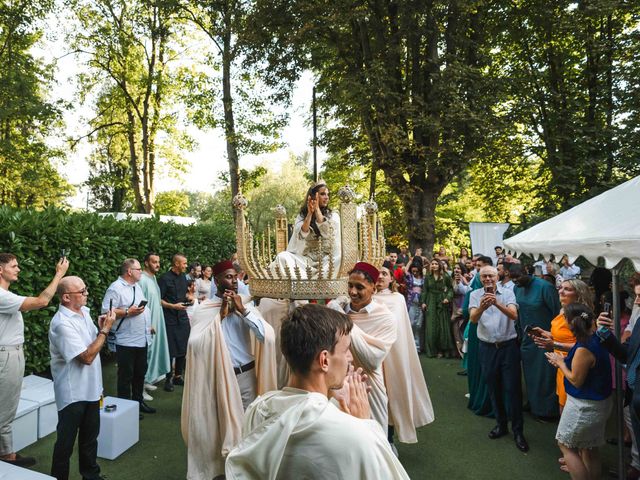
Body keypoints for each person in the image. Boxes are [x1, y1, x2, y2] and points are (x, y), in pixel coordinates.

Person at [225, 304, 410, 479]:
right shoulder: (356, 434)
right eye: (346, 350)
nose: (350, 358)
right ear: (324, 360)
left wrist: (329, 398)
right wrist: (365, 424)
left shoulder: (257, 409)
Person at [181, 259, 276, 480]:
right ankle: (223, 472)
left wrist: (242, 311)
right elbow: (195, 345)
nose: (233, 281)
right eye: (228, 277)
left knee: (250, 429)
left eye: (236, 277)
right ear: (217, 280)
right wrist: (220, 317)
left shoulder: (247, 305)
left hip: (246, 378)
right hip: (218, 379)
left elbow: (267, 337)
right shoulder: (205, 309)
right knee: (220, 429)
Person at [0, 253, 69, 468]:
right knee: (5, 407)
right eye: (14, 266)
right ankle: (6, 457)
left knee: (7, 405)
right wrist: (59, 274)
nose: (18, 269)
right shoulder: (2, 296)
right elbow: (42, 301)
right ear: (0, 270)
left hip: (10, 353)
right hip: (6, 355)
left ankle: (7, 453)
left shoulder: (6, 295)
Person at [49, 276, 116, 480]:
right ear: (66, 297)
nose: (87, 293)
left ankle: (91, 476)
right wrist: (105, 330)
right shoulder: (61, 323)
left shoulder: (84, 312)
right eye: (82, 291)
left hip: (92, 388)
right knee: (65, 444)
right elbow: (86, 357)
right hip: (73, 392)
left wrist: (99, 326)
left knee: (90, 439)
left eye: (85, 289)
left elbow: (91, 342)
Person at [327, 262, 397, 431]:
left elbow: (372, 360)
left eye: (359, 287)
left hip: (369, 386)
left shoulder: (386, 318)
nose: (352, 292)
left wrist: (342, 319)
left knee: (374, 439)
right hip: (337, 383)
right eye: (350, 285)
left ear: (374, 287)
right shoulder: (339, 309)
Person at [546, 303, 612, 480]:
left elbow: (576, 380)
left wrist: (560, 362)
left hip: (584, 406)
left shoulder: (584, 347)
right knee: (590, 447)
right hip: (600, 402)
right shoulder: (597, 337)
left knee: (566, 446)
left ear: (570, 322)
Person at [469, 265, 528, 452]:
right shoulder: (475, 294)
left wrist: (496, 303)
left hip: (508, 347)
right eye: (484, 276)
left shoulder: (508, 293)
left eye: (491, 276)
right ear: (480, 278)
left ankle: (518, 431)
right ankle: (501, 425)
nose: (487, 279)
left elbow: (514, 315)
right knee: (493, 387)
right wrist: (482, 307)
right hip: (487, 348)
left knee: (513, 390)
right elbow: (473, 319)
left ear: (497, 277)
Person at [375, 266, 434, 446]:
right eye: (377, 273)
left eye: (384, 273)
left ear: (392, 279)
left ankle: (389, 437)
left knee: (393, 391)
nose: (380, 276)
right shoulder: (367, 297)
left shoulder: (397, 299)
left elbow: (399, 328)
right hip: (372, 351)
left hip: (394, 352)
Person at [597, 281, 640, 480]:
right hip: (634, 391)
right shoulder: (639, 322)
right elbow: (625, 354)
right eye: (636, 296)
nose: (637, 302)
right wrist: (603, 333)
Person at [529, 280, 593, 413]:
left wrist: (554, 345)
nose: (561, 291)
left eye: (567, 289)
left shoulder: (583, 317)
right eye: (560, 287)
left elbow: (587, 347)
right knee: (562, 406)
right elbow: (564, 335)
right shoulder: (563, 310)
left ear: (579, 294)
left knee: (571, 409)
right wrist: (546, 334)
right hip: (560, 365)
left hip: (575, 365)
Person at [102, 258, 155, 416]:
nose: (141, 272)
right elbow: (107, 312)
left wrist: (148, 325)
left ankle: (138, 403)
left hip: (141, 338)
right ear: (129, 271)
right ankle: (126, 409)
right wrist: (127, 312)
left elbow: (139, 308)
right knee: (126, 376)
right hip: (125, 340)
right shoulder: (115, 288)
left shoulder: (136, 286)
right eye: (138, 269)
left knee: (140, 373)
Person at [510, 263, 562, 419]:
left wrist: (553, 336)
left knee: (545, 375)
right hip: (527, 338)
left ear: (527, 271)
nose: (515, 281)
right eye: (512, 278)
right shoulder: (516, 288)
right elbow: (518, 311)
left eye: (518, 277)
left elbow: (557, 312)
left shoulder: (545, 287)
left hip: (545, 338)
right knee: (530, 374)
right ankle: (533, 402)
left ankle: (547, 410)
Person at [271, 181, 341, 278]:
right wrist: (310, 213)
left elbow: (327, 233)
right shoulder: (301, 216)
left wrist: (317, 210)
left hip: (327, 261)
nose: (326, 197)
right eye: (322, 194)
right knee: (282, 258)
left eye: (327, 194)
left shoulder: (334, 215)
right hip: (306, 261)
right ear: (313, 196)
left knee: (341, 259)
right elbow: (302, 233)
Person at [138, 252, 171, 397]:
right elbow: (140, 304)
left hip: (158, 321)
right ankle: (140, 388)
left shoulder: (153, 277)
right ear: (146, 263)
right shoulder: (142, 280)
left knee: (154, 353)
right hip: (148, 324)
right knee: (146, 354)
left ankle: (147, 381)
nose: (157, 264)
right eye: (154, 262)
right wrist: (147, 324)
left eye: (158, 262)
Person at [158, 253, 190, 392]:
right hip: (169, 318)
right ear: (177, 264)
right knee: (170, 350)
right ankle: (168, 378)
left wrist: (190, 298)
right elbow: (158, 300)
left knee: (183, 348)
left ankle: (178, 376)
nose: (186, 266)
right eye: (184, 263)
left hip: (182, 317)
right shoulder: (164, 279)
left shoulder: (184, 277)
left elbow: (185, 294)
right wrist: (173, 306)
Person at [421, 259, 455, 358]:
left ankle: (443, 350)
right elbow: (424, 290)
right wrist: (423, 302)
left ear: (439, 265)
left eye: (436, 264)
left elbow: (450, 289)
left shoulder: (446, 276)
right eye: (432, 264)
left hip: (442, 301)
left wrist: (447, 298)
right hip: (430, 301)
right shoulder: (428, 277)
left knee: (442, 326)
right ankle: (432, 350)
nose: (434, 265)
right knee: (431, 327)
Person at [404, 260, 425, 351]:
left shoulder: (424, 278)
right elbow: (405, 270)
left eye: (417, 271)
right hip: (411, 303)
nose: (415, 273)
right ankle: (410, 345)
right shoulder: (410, 277)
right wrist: (411, 260)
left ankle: (418, 346)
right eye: (413, 271)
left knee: (419, 325)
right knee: (411, 323)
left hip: (420, 303)